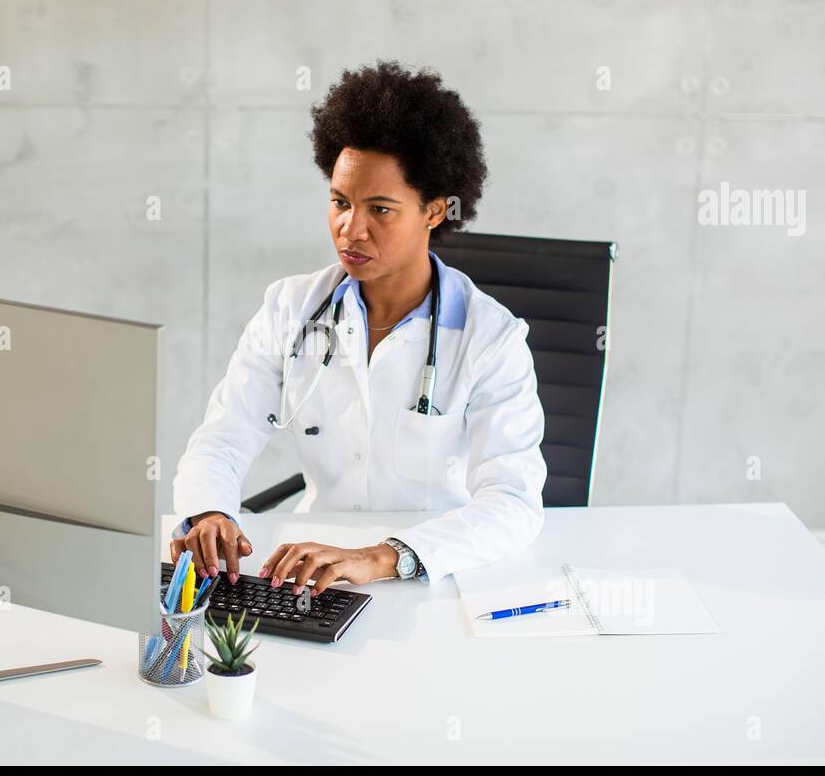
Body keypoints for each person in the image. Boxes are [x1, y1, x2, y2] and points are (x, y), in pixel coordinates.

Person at [171, 60, 546, 593]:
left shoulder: (492, 338)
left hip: (435, 572)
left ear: (435, 211)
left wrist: (381, 557)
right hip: (312, 572)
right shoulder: (290, 309)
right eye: (340, 202)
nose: (351, 228)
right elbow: (223, 437)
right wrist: (208, 512)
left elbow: (513, 505)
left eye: (381, 209)